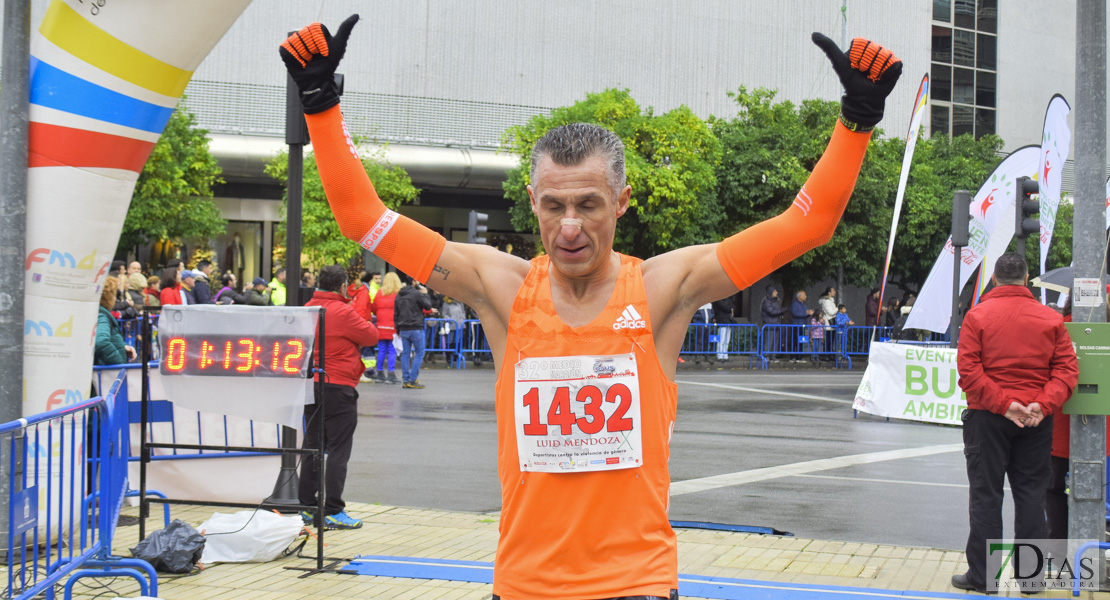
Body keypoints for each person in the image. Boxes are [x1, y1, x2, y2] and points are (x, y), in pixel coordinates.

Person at [282, 17, 900, 599]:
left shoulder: (664, 288)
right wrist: (320, 106)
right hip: (524, 581)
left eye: (588, 204)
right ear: (531, 202)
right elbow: (364, 219)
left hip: (637, 582)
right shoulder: (501, 288)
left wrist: (856, 121)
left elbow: (807, 224)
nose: (570, 226)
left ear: (622, 201)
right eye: (553, 206)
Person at [952, 252, 1077, 594]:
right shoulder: (1051, 319)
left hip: (988, 417)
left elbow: (969, 373)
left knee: (986, 496)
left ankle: (984, 577)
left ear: (994, 280)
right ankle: (1032, 579)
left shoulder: (976, 317)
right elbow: (1067, 370)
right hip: (1037, 420)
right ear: (1026, 280)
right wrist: (1042, 403)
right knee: (1032, 496)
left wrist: (1005, 405)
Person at [299, 265, 379, 530]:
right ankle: (333, 509)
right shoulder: (343, 311)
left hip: (312, 385)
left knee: (312, 447)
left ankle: (307, 508)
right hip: (339, 385)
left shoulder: (309, 308)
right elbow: (371, 335)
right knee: (337, 451)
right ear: (343, 286)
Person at [394, 279, 436, 389]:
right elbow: (427, 306)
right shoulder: (417, 294)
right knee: (420, 353)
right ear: (413, 282)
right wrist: (425, 294)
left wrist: (398, 329)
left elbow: (396, 313)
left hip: (403, 328)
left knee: (406, 354)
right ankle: (412, 379)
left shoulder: (399, 295)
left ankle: (405, 379)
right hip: (416, 327)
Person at [95, 276, 136, 365]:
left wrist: (123, 347)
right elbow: (100, 342)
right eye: (114, 295)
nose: (115, 299)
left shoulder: (100, 313)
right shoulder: (102, 315)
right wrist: (118, 362)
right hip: (108, 372)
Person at [370, 272, 401, 384]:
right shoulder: (398, 294)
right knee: (392, 350)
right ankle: (391, 374)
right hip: (393, 325)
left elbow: (373, 308)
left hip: (381, 325)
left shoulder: (379, 292)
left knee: (382, 349)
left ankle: (380, 373)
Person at [760, 285, 786, 360]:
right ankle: (766, 356)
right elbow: (771, 312)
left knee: (775, 341)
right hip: (769, 324)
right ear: (770, 292)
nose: (776, 293)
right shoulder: (766, 302)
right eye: (775, 291)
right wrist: (781, 311)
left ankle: (773, 355)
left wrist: (781, 311)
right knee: (769, 341)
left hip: (776, 324)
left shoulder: (776, 301)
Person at [712, 294, 737, 361]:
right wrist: (730, 308)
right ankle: (719, 355)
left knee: (727, 340)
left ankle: (725, 355)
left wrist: (730, 307)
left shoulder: (727, 300)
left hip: (728, 321)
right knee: (721, 340)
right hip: (721, 321)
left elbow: (733, 307)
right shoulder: (718, 300)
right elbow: (725, 307)